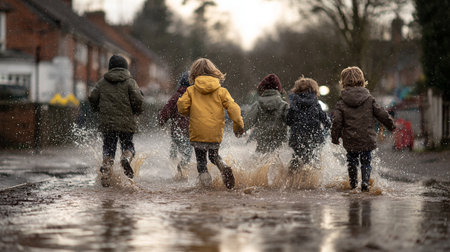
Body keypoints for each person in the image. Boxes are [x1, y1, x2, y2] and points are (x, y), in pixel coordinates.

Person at [177, 58, 244, 189]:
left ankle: (207, 188)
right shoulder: (221, 91)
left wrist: (188, 113)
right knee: (214, 156)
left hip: (197, 131)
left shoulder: (191, 90)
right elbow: (234, 109)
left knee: (201, 162)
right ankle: (224, 166)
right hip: (214, 132)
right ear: (214, 72)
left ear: (194, 73)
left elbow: (181, 107)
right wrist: (238, 126)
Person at [331, 66, 395, 192]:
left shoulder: (341, 102)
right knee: (366, 162)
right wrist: (391, 125)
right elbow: (381, 113)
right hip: (367, 138)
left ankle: (353, 184)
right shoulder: (369, 99)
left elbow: (337, 121)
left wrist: (335, 137)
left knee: (352, 161)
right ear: (362, 80)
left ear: (343, 82)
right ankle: (365, 182)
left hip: (350, 139)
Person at [88, 55, 144, 187]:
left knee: (109, 146)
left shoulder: (102, 82)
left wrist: (97, 109)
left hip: (108, 123)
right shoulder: (130, 81)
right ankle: (126, 157)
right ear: (126, 67)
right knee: (128, 144)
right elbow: (138, 99)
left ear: (110, 67)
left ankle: (107, 166)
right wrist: (137, 111)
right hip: (127, 122)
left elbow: (92, 97)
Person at [286, 76, 331, 171]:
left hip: (297, 137)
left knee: (297, 158)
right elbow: (325, 120)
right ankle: (311, 181)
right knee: (313, 159)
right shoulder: (316, 103)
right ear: (314, 89)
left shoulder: (294, 104)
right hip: (313, 136)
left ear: (296, 89)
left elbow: (289, 121)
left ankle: (293, 181)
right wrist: (329, 127)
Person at [158, 71, 193, 177]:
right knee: (187, 153)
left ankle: (171, 167)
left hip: (176, 132)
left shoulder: (176, 96)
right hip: (189, 133)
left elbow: (166, 111)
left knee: (174, 148)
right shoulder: (195, 97)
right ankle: (181, 169)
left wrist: (161, 120)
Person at [243, 74, 289, 153]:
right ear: (279, 89)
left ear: (261, 88)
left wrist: (238, 131)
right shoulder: (284, 105)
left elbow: (246, 124)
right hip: (281, 150)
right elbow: (292, 123)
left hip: (262, 148)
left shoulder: (257, 105)